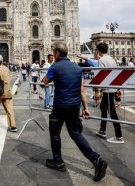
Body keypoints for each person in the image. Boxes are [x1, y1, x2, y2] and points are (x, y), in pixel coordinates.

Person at [41, 42, 107, 181]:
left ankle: (58, 161)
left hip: (60, 106)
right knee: (76, 134)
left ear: (57, 54)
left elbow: (45, 81)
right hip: (74, 106)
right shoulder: (77, 68)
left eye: (54, 52)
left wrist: (45, 79)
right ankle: (97, 159)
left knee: (55, 133)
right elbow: (82, 90)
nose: (53, 54)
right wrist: (86, 108)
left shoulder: (55, 66)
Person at [95, 42, 124, 144]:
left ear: (98, 50)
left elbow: (100, 76)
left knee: (112, 113)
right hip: (112, 88)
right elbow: (117, 73)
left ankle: (119, 135)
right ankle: (102, 130)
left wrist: (98, 91)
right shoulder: (112, 59)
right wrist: (118, 88)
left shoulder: (102, 60)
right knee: (103, 109)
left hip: (107, 89)